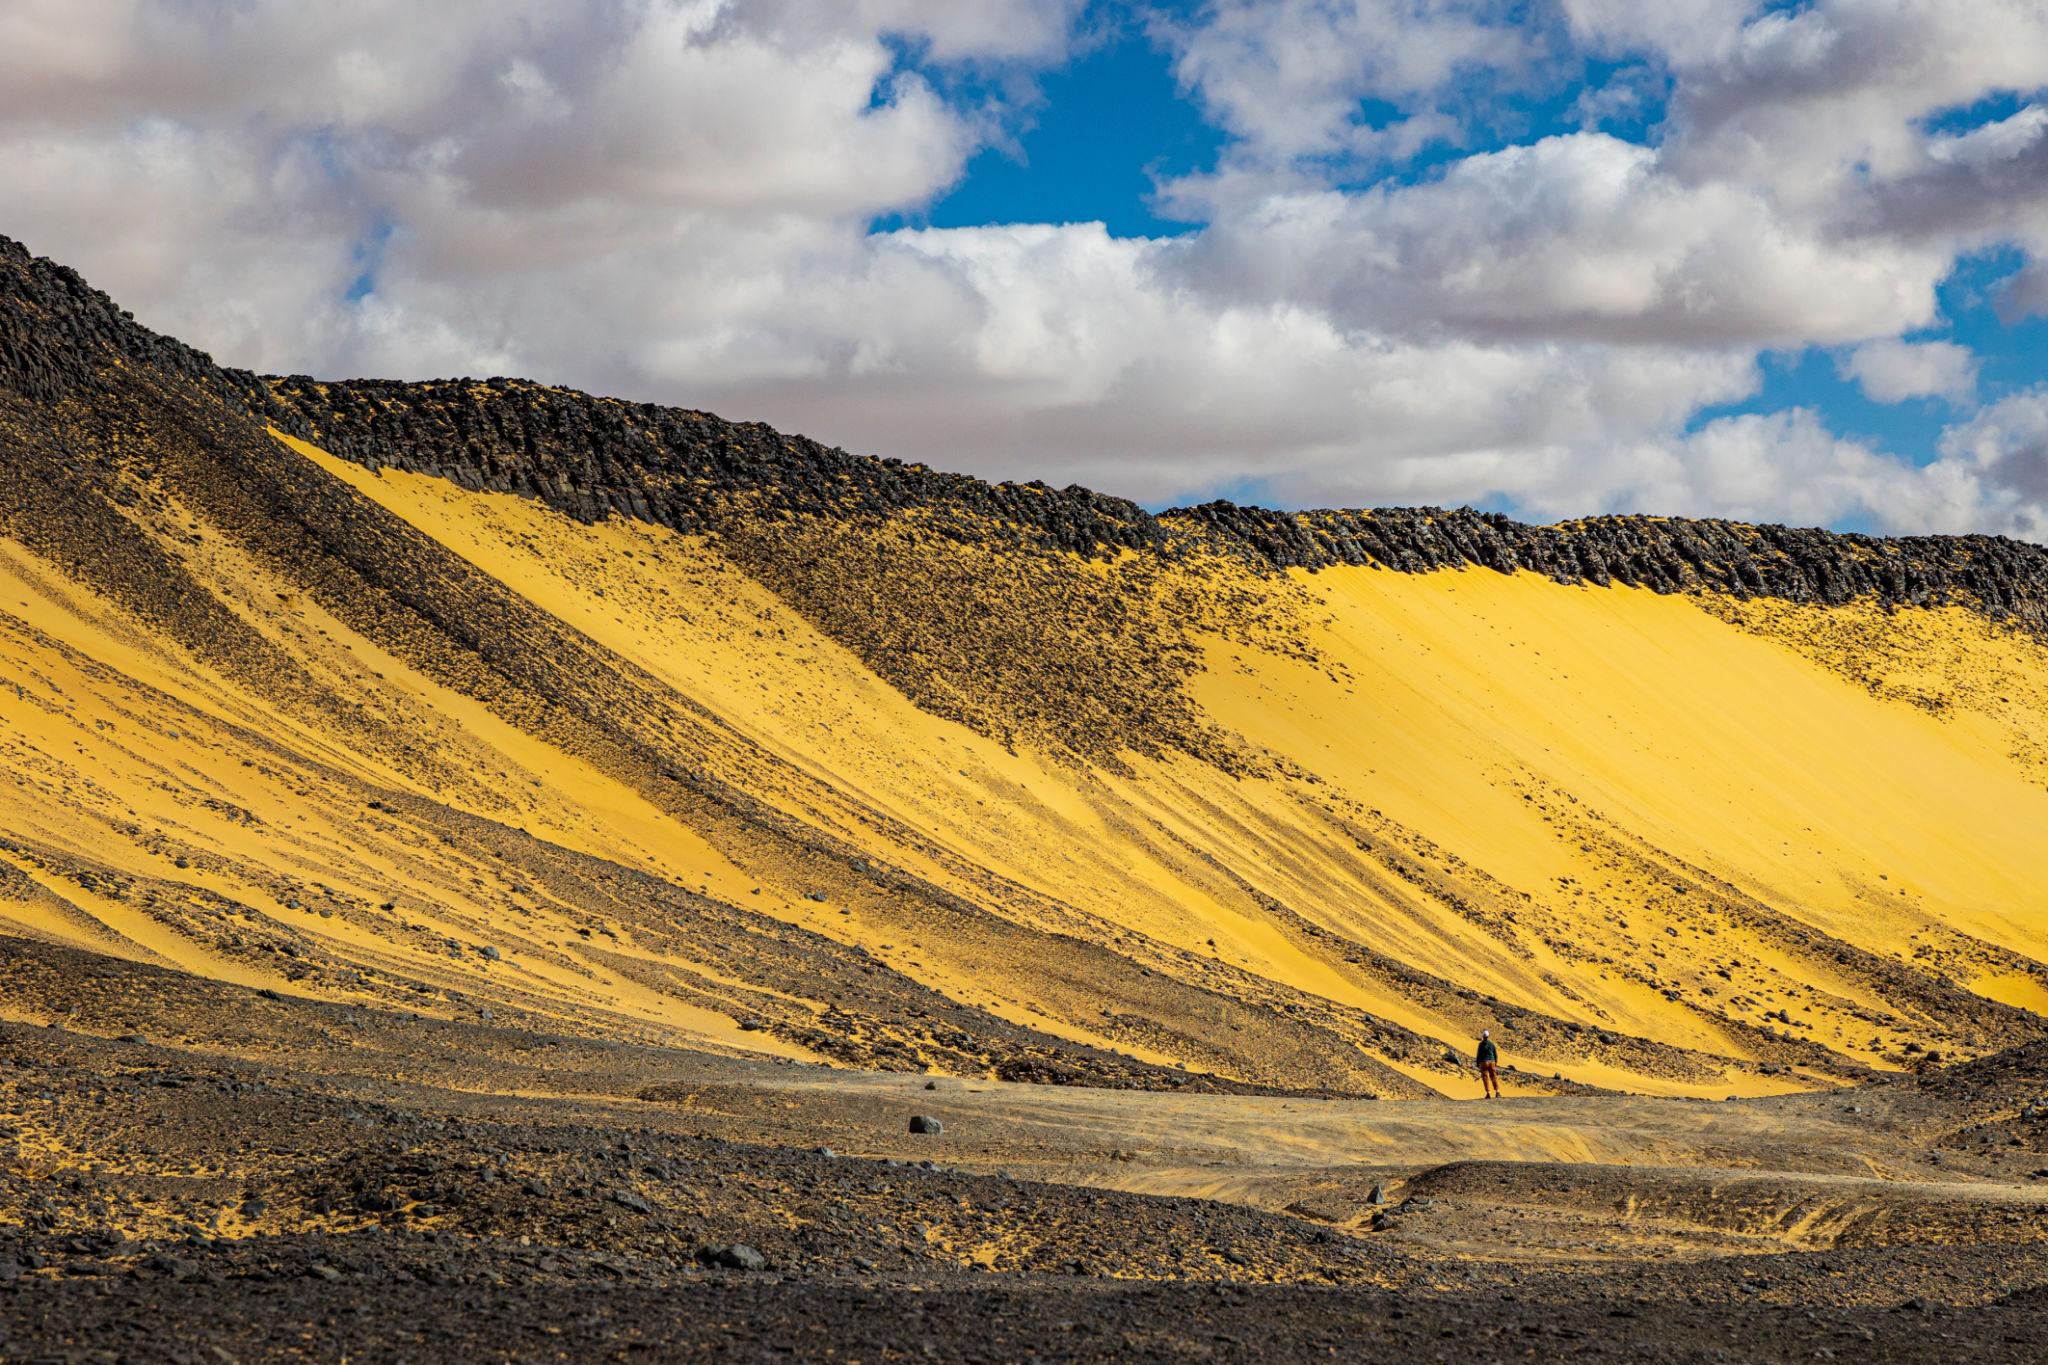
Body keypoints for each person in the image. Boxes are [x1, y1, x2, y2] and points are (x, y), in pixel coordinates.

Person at [1476, 1029, 1501, 1099]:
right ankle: (1497, 1092)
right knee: (1493, 1076)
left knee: (1485, 1077)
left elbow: (1479, 1054)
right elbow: (1495, 1053)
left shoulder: (1480, 1044)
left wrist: (1478, 1063)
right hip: (1492, 1061)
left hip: (1484, 1062)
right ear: (1488, 1036)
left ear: (1483, 1036)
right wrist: (1496, 1061)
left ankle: (1488, 1093)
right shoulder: (1491, 1044)